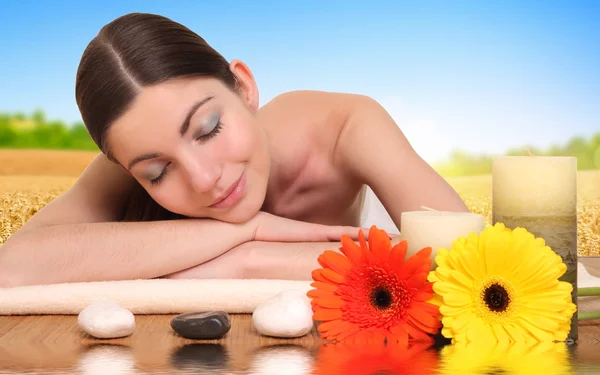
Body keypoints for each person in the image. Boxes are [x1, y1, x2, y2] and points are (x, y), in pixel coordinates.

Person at [0, 13, 469, 288]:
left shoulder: (347, 127)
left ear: (243, 87)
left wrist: (250, 260)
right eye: (159, 173)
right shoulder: (134, 157)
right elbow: (12, 265)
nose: (204, 179)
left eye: (207, 129)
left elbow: (468, 265)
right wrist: (245, 236)